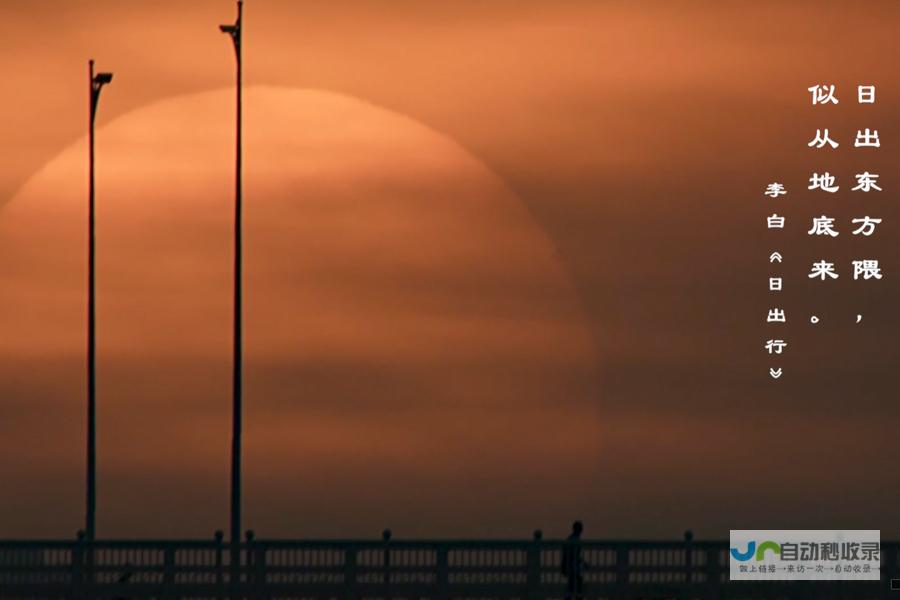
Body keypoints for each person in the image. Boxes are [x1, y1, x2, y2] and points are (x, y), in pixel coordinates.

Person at [560, 521, 587, 600]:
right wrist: (582, 562)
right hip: (571, 566)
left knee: (573, 585)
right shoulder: (574, 539)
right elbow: (574, 555)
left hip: (569, 566)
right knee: (576, 584)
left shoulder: (570, 538)